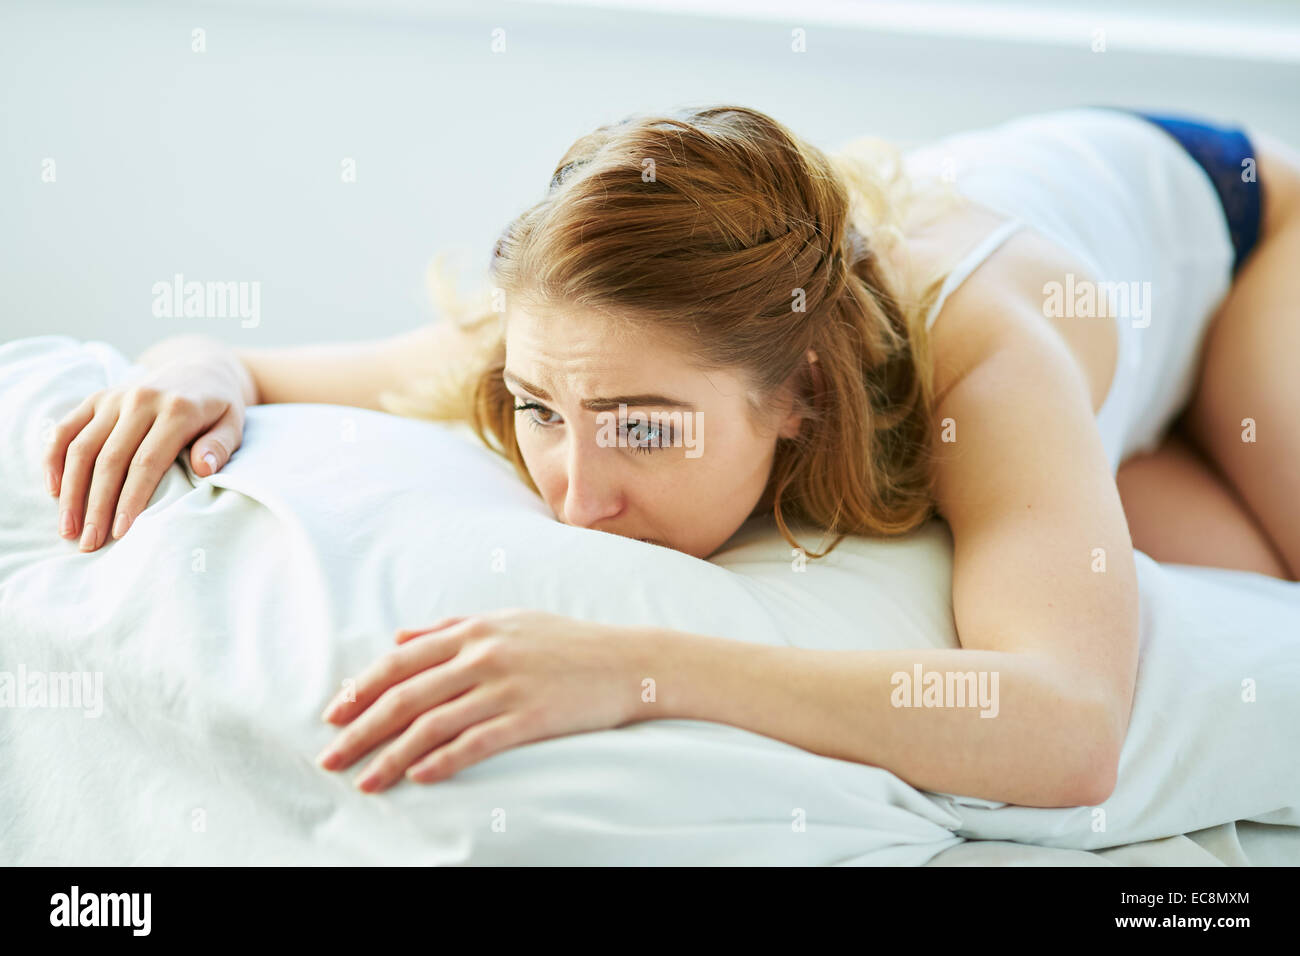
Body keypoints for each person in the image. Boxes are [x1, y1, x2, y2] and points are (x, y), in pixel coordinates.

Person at [41, 105, 1300, 806]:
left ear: (802, 392)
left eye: (642, 426)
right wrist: (181, 373)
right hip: (1112, 331)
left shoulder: (979, 354)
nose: (574, 496)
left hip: (1241, 229)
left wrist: (637, 667)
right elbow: (246, 362)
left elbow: (1070, 727)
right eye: (539, 412)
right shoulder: (577, 326)